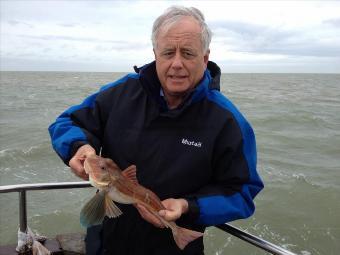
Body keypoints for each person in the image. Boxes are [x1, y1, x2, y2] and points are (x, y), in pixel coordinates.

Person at [49, 6, 263, 255]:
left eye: (188, 53)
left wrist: (187, 206)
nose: (177, 64)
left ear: (205, 58)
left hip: (175, 247)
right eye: (168, 52)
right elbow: (67, 122)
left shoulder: (228, 121)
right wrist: (79, 147)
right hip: (108, 242)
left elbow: (242, 192)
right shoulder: (121, 93)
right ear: (155, 54)